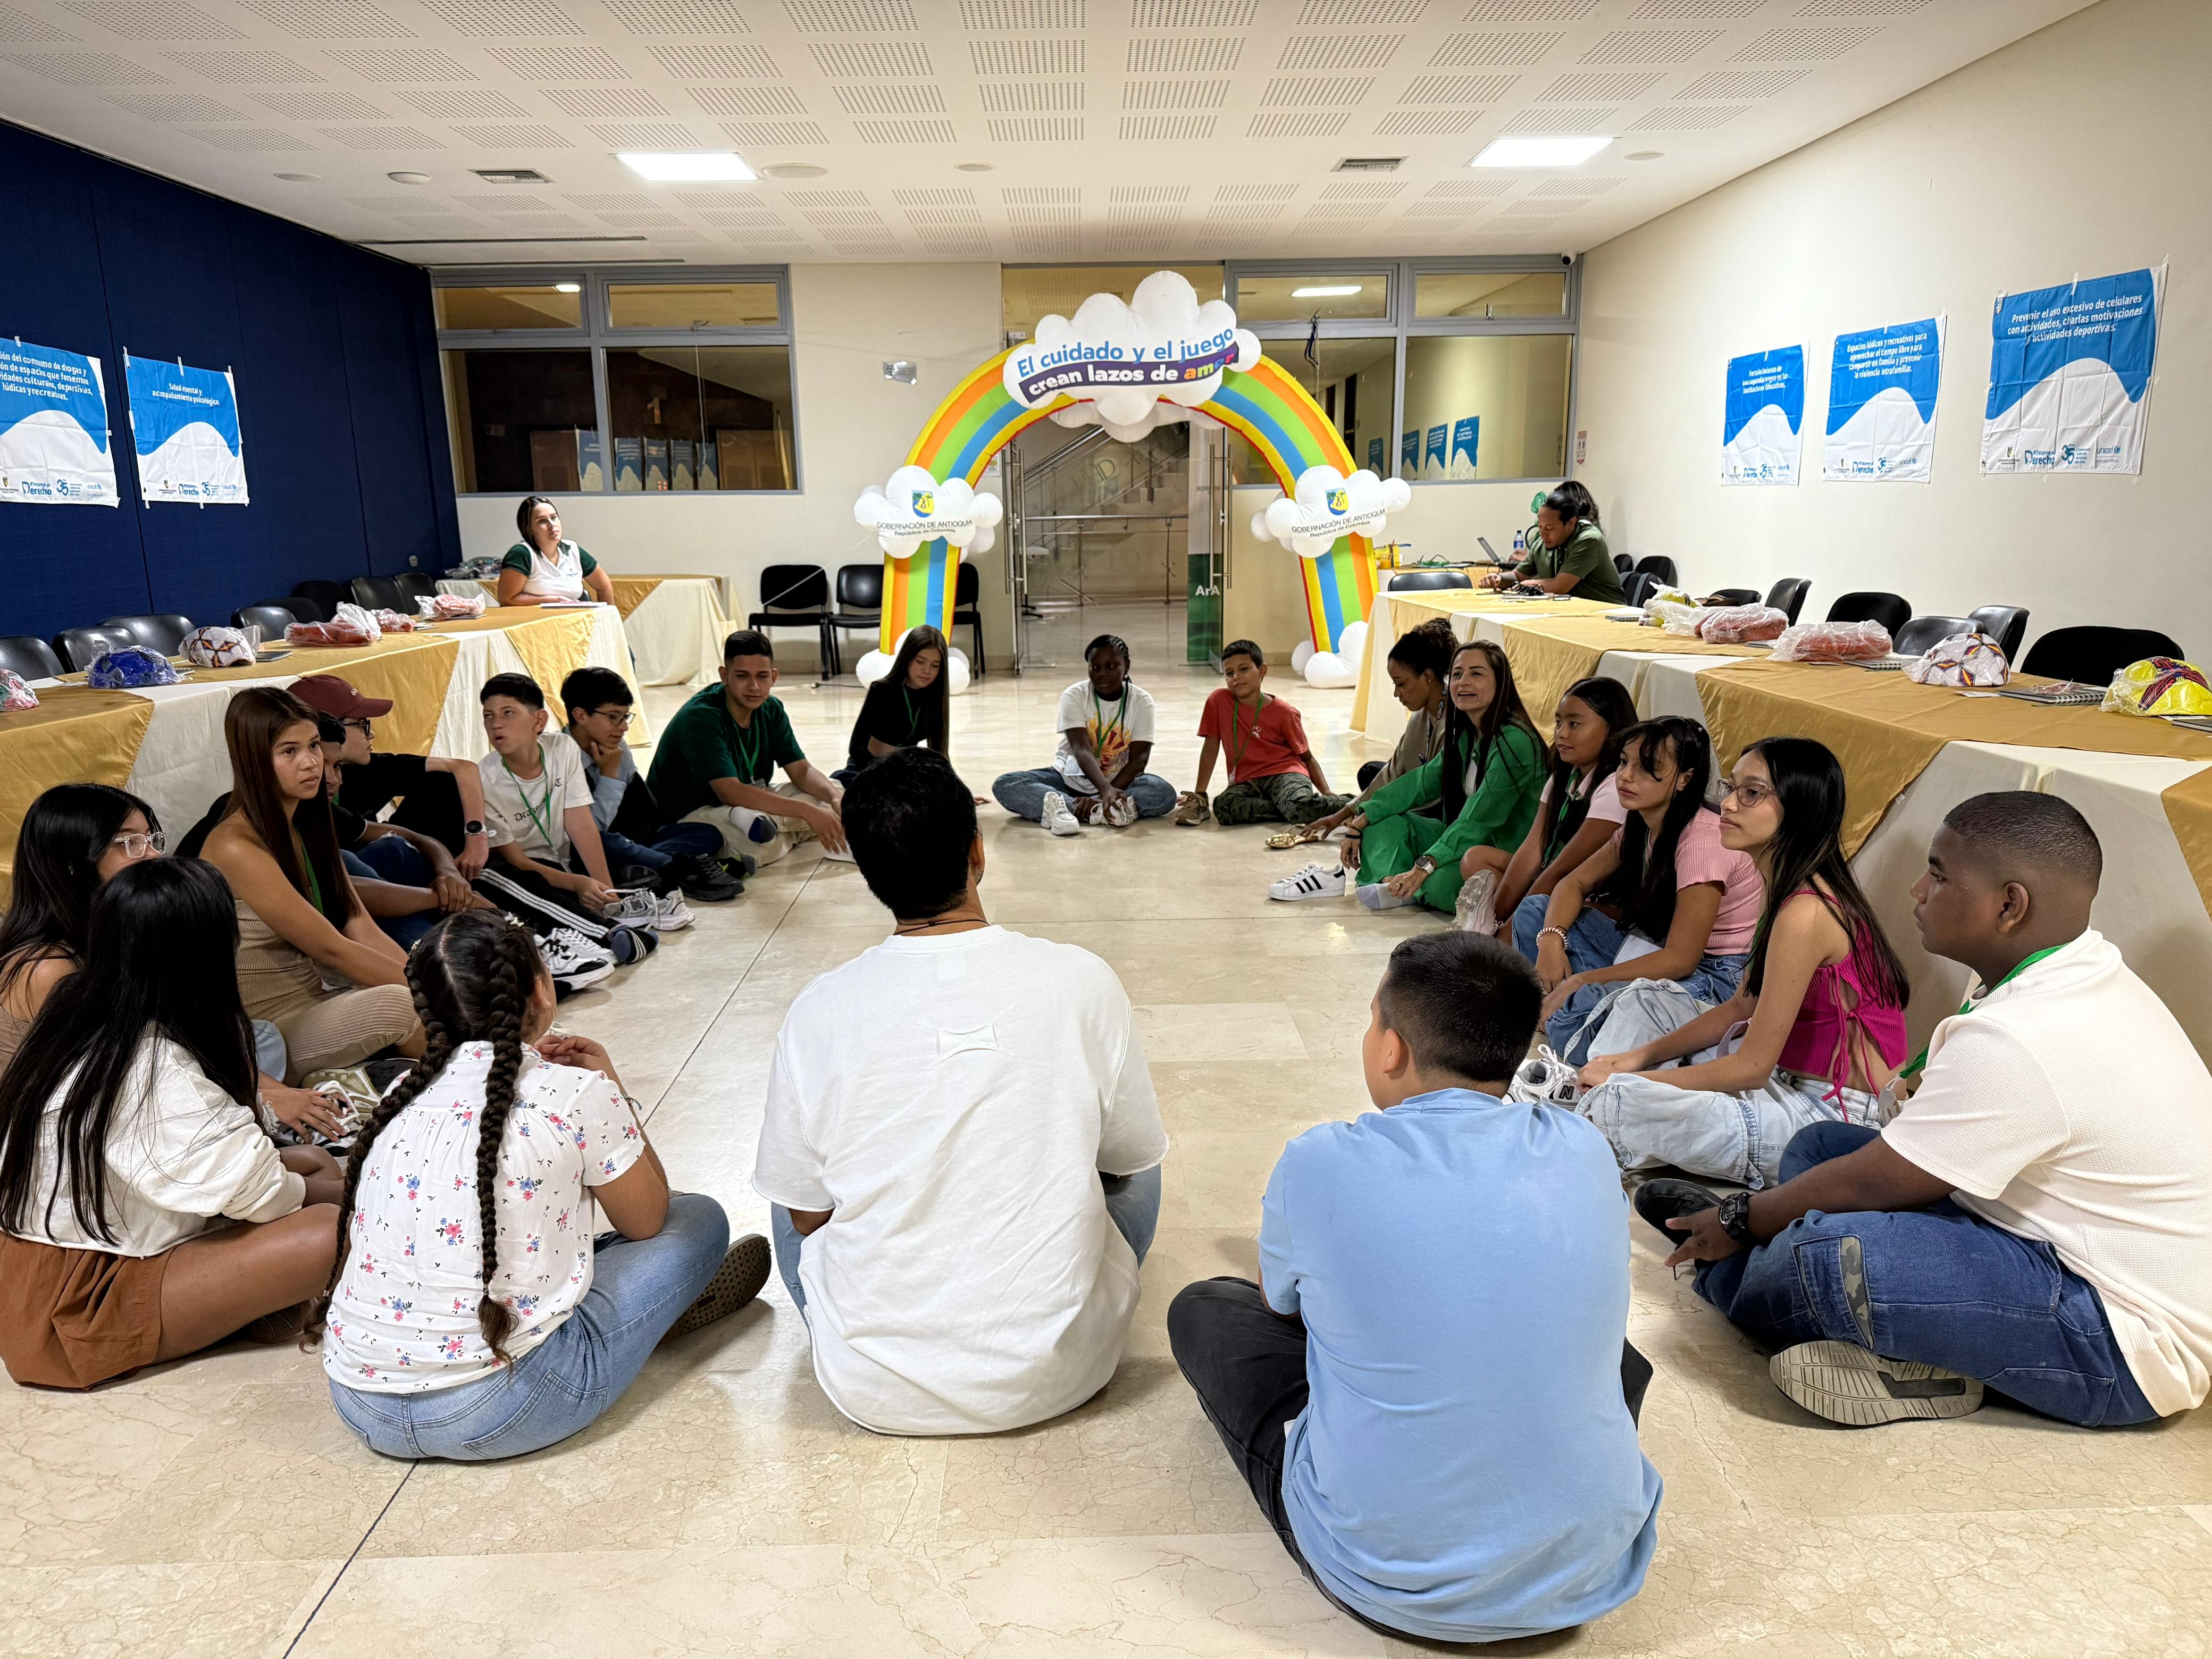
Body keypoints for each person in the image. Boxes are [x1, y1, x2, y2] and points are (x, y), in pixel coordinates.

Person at [1639, 793, 2212, 1430]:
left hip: (2117, 1339)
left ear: (2008, 905)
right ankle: (1920, 1355)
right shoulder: (2063, 970)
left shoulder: (2028, 1035)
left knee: (1835, 1253)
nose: (1916, 890)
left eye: (1937, 874)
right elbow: (1886, 1158)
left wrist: (1741, 1217)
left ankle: (1729, 1274)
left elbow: (1875, 1181)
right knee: (1819, 1146)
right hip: (2039, 1238)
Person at [1167, 932, 1660, 1644]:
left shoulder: (1321, 1161)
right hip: (1589, 1570)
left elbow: (1283, 1309)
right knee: (1599, 1348)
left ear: (1390, 1047)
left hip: (1381, 1577)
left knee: (1209, 1309)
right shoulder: (1579, 1146)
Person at [753, 748, 1168, 1435]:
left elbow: (805, 1220)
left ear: (866, 871)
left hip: (871, 1388)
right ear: (978, 851)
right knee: (1142, 1166)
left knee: (788, 1193)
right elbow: (1127, 1159)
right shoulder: (1081, 979)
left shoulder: (819, 1010)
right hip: (1064, 1373)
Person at [316, 910, 769, 1459]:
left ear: (425, 1010)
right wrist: (610, 1087)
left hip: (362, 1408)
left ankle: (614, 1313)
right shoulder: (573, 1093)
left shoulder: (397, 1100)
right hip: (506, 1408)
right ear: (540, 990)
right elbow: (648, 1219)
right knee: (698, 1219)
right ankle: (642, 1323)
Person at [0, 859, 344, 1389]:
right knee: (326, 1230)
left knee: (313, 1168)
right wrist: (307, 1191)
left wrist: (301, 1180)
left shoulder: (83, 1018)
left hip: (49, 1276)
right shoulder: (148, 1064)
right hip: (79, 1310)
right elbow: (264, 1200)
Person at [1573, 737, 1908, 1189]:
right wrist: (1633, 1060)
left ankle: (1597, 1106)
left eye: (1751, 793)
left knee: (1627, 1104)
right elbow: (1739, 1010)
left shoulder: (1806, 913)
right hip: (1784, 1081)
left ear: (1800, 808)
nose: (1727, 804)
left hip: (1835, 1117)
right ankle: (1598, 1096)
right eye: (1730, 787)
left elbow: (1750, 1068)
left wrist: (1637, 1084)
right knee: (1645, 1002)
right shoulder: (1788, 889)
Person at [3, 784, 340, 1141]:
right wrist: (266, 1100)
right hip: (64, 1124)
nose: (151, 855)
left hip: (140, 1074)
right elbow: (118, 1085)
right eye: (130, 843)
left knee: (260, 1038)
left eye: (152, 839)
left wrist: (275, 1094)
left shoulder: (123, 929)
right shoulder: (48, 968)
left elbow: (180, 1026)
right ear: (71, 865)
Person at [199, 688, 427, 1083]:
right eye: (289, 751)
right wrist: (432, 994)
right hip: (272, 1024)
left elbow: (361, 927)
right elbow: (332, 949)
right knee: (407, 1004)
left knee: (451, 979)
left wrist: (434, 982)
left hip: (321, 991)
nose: (311, 763)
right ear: (253, 760)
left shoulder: (307, 820)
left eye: (314, 745)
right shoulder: (232, 844)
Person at [1517, 717, 1761, 1062]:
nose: (1626, 776)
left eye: (1647, 767)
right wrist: (1551, 940)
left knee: (1580, 1019)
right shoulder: (1640, 821)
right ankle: (1559, 1007)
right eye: (1624, 762)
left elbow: (1682, 958)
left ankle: (1565, 1013)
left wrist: (1583, 980)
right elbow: (1572, 883)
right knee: (1535, 913)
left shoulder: (1701, 840)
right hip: (1661, 949)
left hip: (1717, 976)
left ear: (1685, 779)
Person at [1271, 640, 1542, 910]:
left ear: (1501, 682)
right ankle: (1394, 885)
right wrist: (1362, 818)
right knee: (1381, 823)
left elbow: (1478, 820)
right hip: (1467, 838)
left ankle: (1405, 886)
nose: (1464, 683)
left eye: (1477, 674)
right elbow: (1421, 783)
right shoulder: (1469, 734)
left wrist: (1424, 866)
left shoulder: (1514, 742)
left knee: (1438, 885)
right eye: (1458, 674)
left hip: (1501, 852)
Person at [474, 674, 659, 963]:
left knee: (609, 850)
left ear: (539, 721)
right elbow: (518, 862)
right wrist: (576, 883)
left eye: (508, 713)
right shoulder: (484, 779)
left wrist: (608, 894)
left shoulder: (562, 749)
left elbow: (582, 825)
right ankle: (602, 935)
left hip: (566, 860)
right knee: (535, 892)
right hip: (530, 869)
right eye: (488, 715)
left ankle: (614, 913)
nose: (496, 724)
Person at [646, 629, 850, 867]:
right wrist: (807, 812)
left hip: (749, 804)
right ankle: (780, 830)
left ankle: (772, 827)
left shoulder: (771, 708)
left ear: (774, 677)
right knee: (756, 849)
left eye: (762, 677)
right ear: (725, 675)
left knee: (836, 791)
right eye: (742, 676)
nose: (754, 686)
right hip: (697, 812)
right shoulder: (701, 716)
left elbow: (801, 771)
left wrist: (835, 798)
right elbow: (729, 792)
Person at [560, 666, 740, 906]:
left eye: (625, 717)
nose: (623, 726)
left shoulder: (617, 747)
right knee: (608, 842)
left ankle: (643, 871)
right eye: (613, 717)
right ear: (581, 715)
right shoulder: (560, 759)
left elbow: (644, 810)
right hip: (591, 849)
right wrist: (611, 776)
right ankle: (680, 869)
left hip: (634, 842)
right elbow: (588, 832)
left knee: (707, 832)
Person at [1490, 676, 1637, 935]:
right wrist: (1495, 918)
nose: (1561, 733)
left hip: (1600, 900)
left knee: (1534, 916)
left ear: (1611, 730)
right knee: (1476, 860)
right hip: (1558, 881)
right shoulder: (1565, 775)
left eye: (1574, 724)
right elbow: (1533, 847)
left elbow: (1563, 870)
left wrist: (1506, 933)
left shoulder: (1615, 787)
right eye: (1558, 722)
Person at [991, 633, 1176, 835]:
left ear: (1127, 667)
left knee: (1163, 793)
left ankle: (1070, 811)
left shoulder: (1142, 701)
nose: (1102, 674)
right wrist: (1104, 793)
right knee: (1006, 784)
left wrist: (1108, 791)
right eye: (1095, 668)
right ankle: (1101, 811)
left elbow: (1139, 760)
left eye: (1112, 666)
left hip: (1120, 784)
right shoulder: (1074, 695)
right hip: (1068, 781)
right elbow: (1081, 750)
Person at [306, 675, 492, 866]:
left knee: (442, 783)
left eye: (337, 767)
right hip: (352, 875)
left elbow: (463, 768)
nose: (371, 734)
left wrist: (476, 837)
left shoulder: (367, 768)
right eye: (362, 725)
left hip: (375, 859)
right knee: (379, 852)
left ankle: (460, 872)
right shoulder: (304, 796)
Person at [1176, 640, 1346, 827]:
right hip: (1248, 781)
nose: (1236, 677)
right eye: (1229, 673)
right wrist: (1200, 794)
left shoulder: (1284, 712)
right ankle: (1287, 809)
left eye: (1244, 669)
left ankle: (1351, 804)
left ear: (1262, 671)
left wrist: (1327, 792)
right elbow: (1210, 748)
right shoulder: (1219, 701)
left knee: (1300, 808)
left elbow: (1307, 757)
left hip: (1285, 774)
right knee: (1223, 806)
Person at [1317, 616, 1453, 816]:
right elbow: (1393, 771)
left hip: (1441, 805)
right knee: (1370, 772)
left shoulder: (1455, 719)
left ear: (1428, 677)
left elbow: (1430, 789)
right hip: (1415, 790)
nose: (1397, 694)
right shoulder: (1421, 716)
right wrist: (1344, 814)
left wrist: (1373, 813)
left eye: (1401, 684)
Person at [1481, 481, 1626, 606]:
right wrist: (1499, 578)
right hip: (1566, 614)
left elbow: (1560, 586)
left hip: (1606, 614)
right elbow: (1517, 576)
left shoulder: (1589, 540)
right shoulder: (1542, 543)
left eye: (1549, 528)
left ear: (1571, 523)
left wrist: (1523, 586)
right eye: (1540, 527)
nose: (1543, 534)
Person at [839, 625, 950, 782]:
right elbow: (857, 747)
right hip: (870, 767)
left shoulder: (935, 696)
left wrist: (956, 791)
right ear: (908, 658)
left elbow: (939, 753)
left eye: (935, 665)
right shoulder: (882, 690)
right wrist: (887, 769)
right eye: (921, 662)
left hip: (904, 769)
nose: (927, 671)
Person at [500, 494, 617, 608]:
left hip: (573, 622)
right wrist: (552, 601)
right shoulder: (522, 554)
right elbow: (507, 599)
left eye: (554, 518)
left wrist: (608, 620)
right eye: (542, 521)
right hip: (534, 624)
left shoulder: (572, 549)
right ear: (528, 529)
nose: (552, 525)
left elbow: (604, 586)